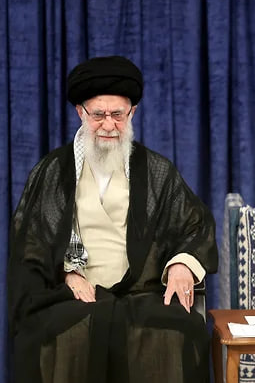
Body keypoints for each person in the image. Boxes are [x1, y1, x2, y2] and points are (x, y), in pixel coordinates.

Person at [8, 56, 218, 383]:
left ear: (132, 113)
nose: (108, 125)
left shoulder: (155, 170)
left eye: (117, 115)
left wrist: (182, 264)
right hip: (74, 294)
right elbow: (31, 241)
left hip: (140, 293)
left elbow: (195, 224)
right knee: (56, 330)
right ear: (80, 112)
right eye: (98, 115)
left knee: (181, 329)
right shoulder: (53, 171)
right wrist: (67, 273)